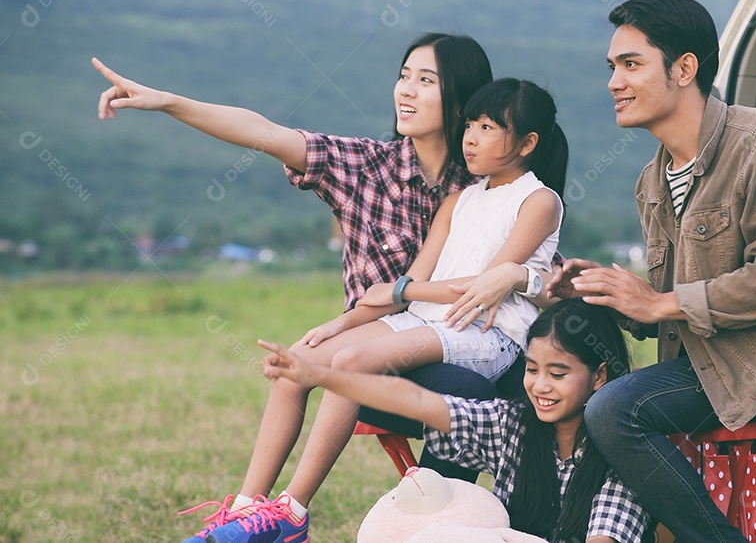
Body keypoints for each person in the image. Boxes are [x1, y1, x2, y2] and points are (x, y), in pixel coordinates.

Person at [92, 34, 550, 541]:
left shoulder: (496, 177)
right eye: (403, 76)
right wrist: (168, 102)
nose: (407, 90)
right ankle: (250, 515)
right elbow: (262, 132)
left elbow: (538, 270)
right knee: (297, 365)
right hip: (385, 344)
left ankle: (450, 523)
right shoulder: (366, 167)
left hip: (463, 362)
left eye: (426, 80)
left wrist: (526, 280)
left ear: (467, 98)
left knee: (475, 387)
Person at [547, 0, 756, 543]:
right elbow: (666, 312)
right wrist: (603, 292)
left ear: (684, 69)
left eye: (631, 64)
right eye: (612, 67)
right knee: (609, 411)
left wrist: (659, 301)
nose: (613, 82)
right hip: (717, 369)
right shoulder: (650, 184)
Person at [197, 77, 569, 543]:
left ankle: (291, 512)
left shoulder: (539, 201)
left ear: (528, 142)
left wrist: (399, 292)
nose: (471, 137)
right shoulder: (458, 200)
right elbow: (414, 282)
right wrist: (344, 320)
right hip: (426, 320)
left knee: (351, 363)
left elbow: (481, 288)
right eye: (470, 124)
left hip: (482, 333)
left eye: (489, 127)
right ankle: (248, 511)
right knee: (300, 362)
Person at [260, 299, 650, 543]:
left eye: (559, 374)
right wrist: (321, 375)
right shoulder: (513, 425)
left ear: (599, 376)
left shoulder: (621, 451)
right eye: (532, 369)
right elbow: (418, 402)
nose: (540, 386)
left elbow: (607, 536)